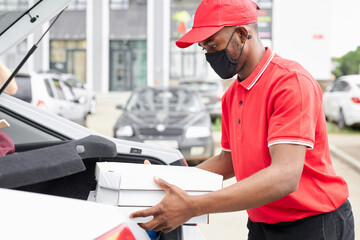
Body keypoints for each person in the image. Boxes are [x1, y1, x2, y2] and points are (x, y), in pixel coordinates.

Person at [130, 0, 355, 239]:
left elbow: (285, 176)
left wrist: (194, 206)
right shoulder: (231, 96)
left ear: (242, 34)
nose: (209, 54)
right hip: (262, 224)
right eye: (204, 48)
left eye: (214, 44)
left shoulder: (290, 83)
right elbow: (230, 161)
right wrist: (168, 177)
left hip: (313, 223)